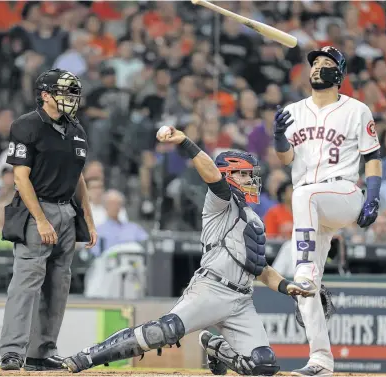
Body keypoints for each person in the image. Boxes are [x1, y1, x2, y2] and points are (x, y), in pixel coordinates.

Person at [62, 127, 315, 375]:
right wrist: (185, 142)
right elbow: (212, 174)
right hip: (211, 288)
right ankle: (86, 357)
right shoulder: (220, 202)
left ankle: (216, 347)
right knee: (163, 332)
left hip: (241, 300)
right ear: (228, 175)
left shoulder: (255, 219)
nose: (250, 180)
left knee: (263, 365)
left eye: (251, 175)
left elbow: (261, 268)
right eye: (243, 174)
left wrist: (288, 287)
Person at [273, 46, 382, 376]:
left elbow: (372, 158)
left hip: (344, 192)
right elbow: (286, 160)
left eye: (326, 63)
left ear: (340, 73)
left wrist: (373, 195)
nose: (318, 67)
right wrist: (279, 138)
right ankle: (320, 360)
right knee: (304, 288)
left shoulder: (357, 110)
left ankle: (305, 270)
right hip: (311, 208)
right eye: (315, 63)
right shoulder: (294, 111)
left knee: (304, 195)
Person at [0, 69, 98, 371]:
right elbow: (20, 177)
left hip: (67, 211)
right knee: (26, 283)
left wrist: (89, 219)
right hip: (37, 208)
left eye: (73, 93)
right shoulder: (27, 125)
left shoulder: (76, 128)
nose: (71, 99)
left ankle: (42, 351)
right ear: (45, 95)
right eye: (65, 92)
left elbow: (78, 177)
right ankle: (13, 351)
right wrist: (40, 220)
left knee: (58, 285)